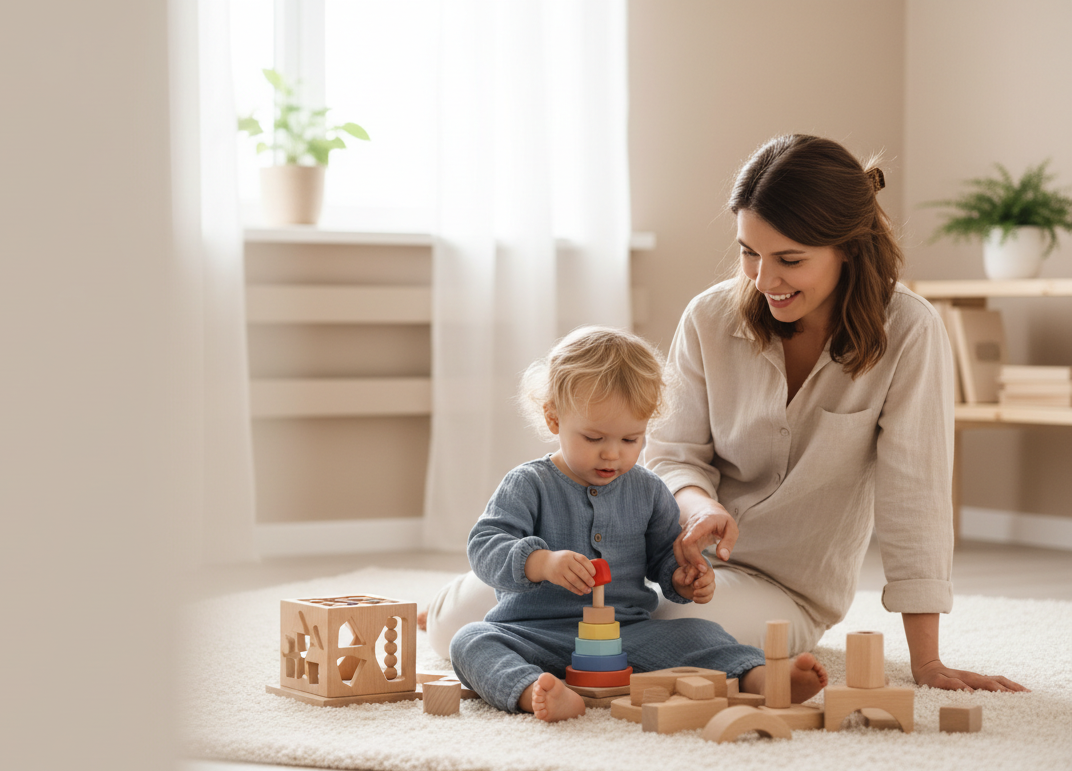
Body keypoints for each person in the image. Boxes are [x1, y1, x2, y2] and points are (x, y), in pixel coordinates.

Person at [428, 134, 1028, 693]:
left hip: (782, 587)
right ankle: (446, 608)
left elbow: (915, 497)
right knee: (462, 624)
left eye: (789, 259)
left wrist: (927, 662)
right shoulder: (710, 317)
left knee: (657, 628)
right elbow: (674, 454)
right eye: (749, 253)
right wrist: (699, 507)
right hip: (660, 561)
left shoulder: (910, 332)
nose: (764, 279)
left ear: (847, 247)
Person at [449, 326, 828, 722]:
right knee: (471, 641)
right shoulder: (529, 483)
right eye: (594, 438)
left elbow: (665, 554)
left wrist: (682, 577)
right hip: (534, 633)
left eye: (631, 440)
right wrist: (541, 562)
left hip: (625, 633)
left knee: (701, 632)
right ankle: (534, 690)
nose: (612, 454)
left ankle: (761, 678)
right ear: (554, 418)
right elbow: (485, 545)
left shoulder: (648, 489)